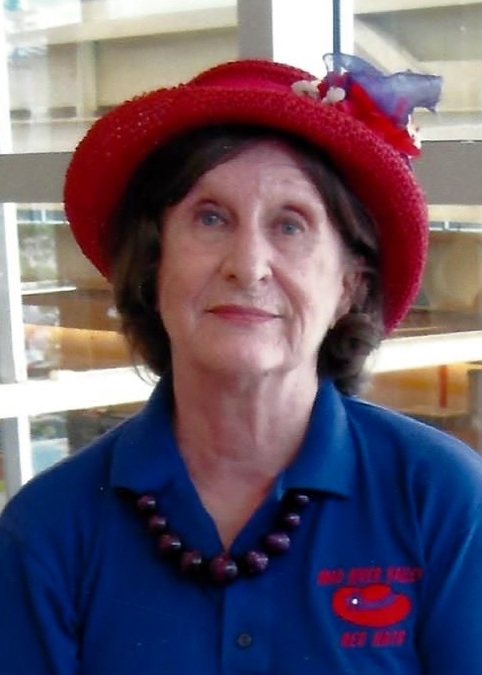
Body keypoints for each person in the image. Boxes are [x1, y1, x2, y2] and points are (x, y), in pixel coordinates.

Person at [0, 52, 480, 675]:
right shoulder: (45, 530)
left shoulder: (444, 500)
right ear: (152, 265)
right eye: (210, 218)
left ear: (349, 285)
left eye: (291, 225)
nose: (247, 266)